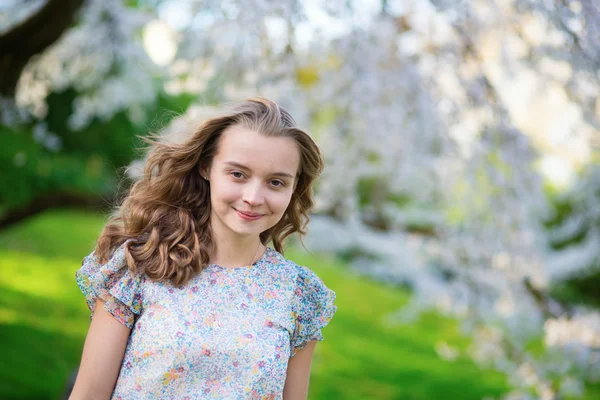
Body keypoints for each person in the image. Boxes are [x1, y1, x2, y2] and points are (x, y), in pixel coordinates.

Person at [68, 98, 337, 400]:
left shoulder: (300, 295)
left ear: (293, 187)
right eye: (238, 174)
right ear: (207, 167)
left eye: (275, 182)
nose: (253, 197)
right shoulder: (140, 265)